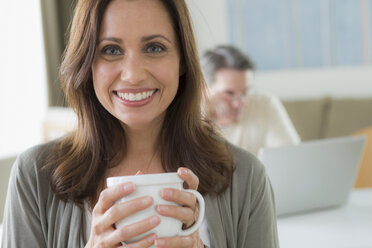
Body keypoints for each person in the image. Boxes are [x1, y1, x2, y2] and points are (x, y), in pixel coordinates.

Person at [1, 1, 279, 248]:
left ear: (182, 60)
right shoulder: (33, 177)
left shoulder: (247, 178)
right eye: (111, 50)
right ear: (86, 63)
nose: (133, 75)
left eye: (154, 47)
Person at [202, 45, 301, 155]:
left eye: (245, 92)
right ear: (204, 88)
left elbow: (292, 155)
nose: (240, 103)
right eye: (229, 93)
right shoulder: (190, 116)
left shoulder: (265, 104)